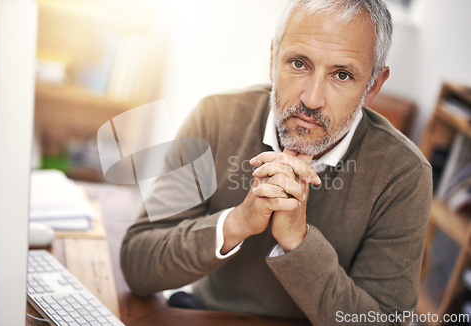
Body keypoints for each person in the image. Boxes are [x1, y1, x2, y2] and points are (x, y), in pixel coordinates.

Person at [120, 0, 432, 325]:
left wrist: (298, 241)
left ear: (373, 87)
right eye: (299, 63)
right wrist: (238, 222)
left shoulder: (405, 174)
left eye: (342, 75)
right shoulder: (215, 118)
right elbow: (138, 263)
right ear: (272, 58)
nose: (311, 99)